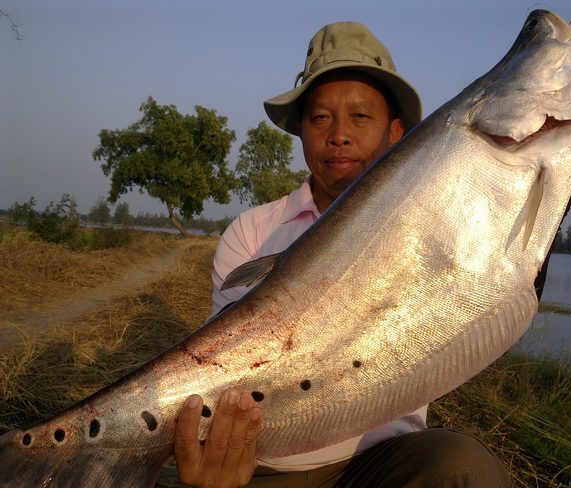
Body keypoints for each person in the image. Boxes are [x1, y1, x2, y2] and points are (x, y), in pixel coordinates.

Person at [167, 22, 513, 488]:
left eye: (360, 117)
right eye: (320, 118)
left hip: (383, 463)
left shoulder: (440, 226)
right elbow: (225, 366)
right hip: (265, 466)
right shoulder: (251, 232)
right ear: (302, 133)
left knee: (464, 465)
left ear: (395, 132)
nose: (339, 136)